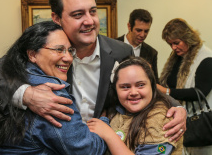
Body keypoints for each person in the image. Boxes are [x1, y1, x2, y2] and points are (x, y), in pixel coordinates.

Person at [0, 0, 186, 141]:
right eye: (78, 14)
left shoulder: (120, 51)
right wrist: (27, 96)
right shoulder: (43, 49)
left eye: (92, 11)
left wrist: (176, 106)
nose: (89, 21)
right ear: (56, 18)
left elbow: (147, 85)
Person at [0, 21, 109, 154]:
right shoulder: (51, 95)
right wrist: (104, 123)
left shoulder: (14, 75)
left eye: (70, 51)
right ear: (32, 55)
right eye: (59, 50)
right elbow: (88, 150)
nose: (68, 58)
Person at [87, 57, 183, 155]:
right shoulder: (118, 110)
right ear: (115, 90)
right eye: (125, 87)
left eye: (140, 85)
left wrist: (108, 135)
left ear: (152, 86)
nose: (133, 92)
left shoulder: (159, 120)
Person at [157, 18, 212, 155]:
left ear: (187, 38)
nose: (173, 48)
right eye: (170, 44)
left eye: (176, 43)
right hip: (181, 121)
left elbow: (199, 92)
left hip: (199, 125)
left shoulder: (206, 58)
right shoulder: (178, 56)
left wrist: (166, 91)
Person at [116, 9, 159, 82]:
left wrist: (149, 73)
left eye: (146, 31)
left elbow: (155, 83)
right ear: (129, 27)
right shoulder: (112, 46)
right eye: (139, 30)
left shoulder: (152, 53)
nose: (142, 35)